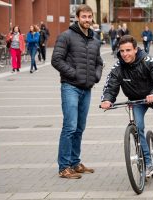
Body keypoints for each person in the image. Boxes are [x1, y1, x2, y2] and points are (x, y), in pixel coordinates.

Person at [100, 35, 153, 177]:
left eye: (128, 50)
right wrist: (107, 99)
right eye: (122, 51)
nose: (125, 54)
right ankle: (148, 163)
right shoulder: (118, 67)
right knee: (138, 128)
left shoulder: (148, 61)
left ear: (136, 49)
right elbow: (110, 85)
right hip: (136, 101)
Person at [51, 4, 103, 179]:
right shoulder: (66, 36)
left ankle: (75, 162)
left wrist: (96, 76)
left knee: (79, 128)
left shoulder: (95, 39)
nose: (87, 20)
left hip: (86, 89)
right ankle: (64, 167)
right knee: (70, 127)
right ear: (77, 17)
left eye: (89, 17)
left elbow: (99, 62)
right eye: (84, 17)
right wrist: (75, 74)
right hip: (70, 87)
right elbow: (56, 60)